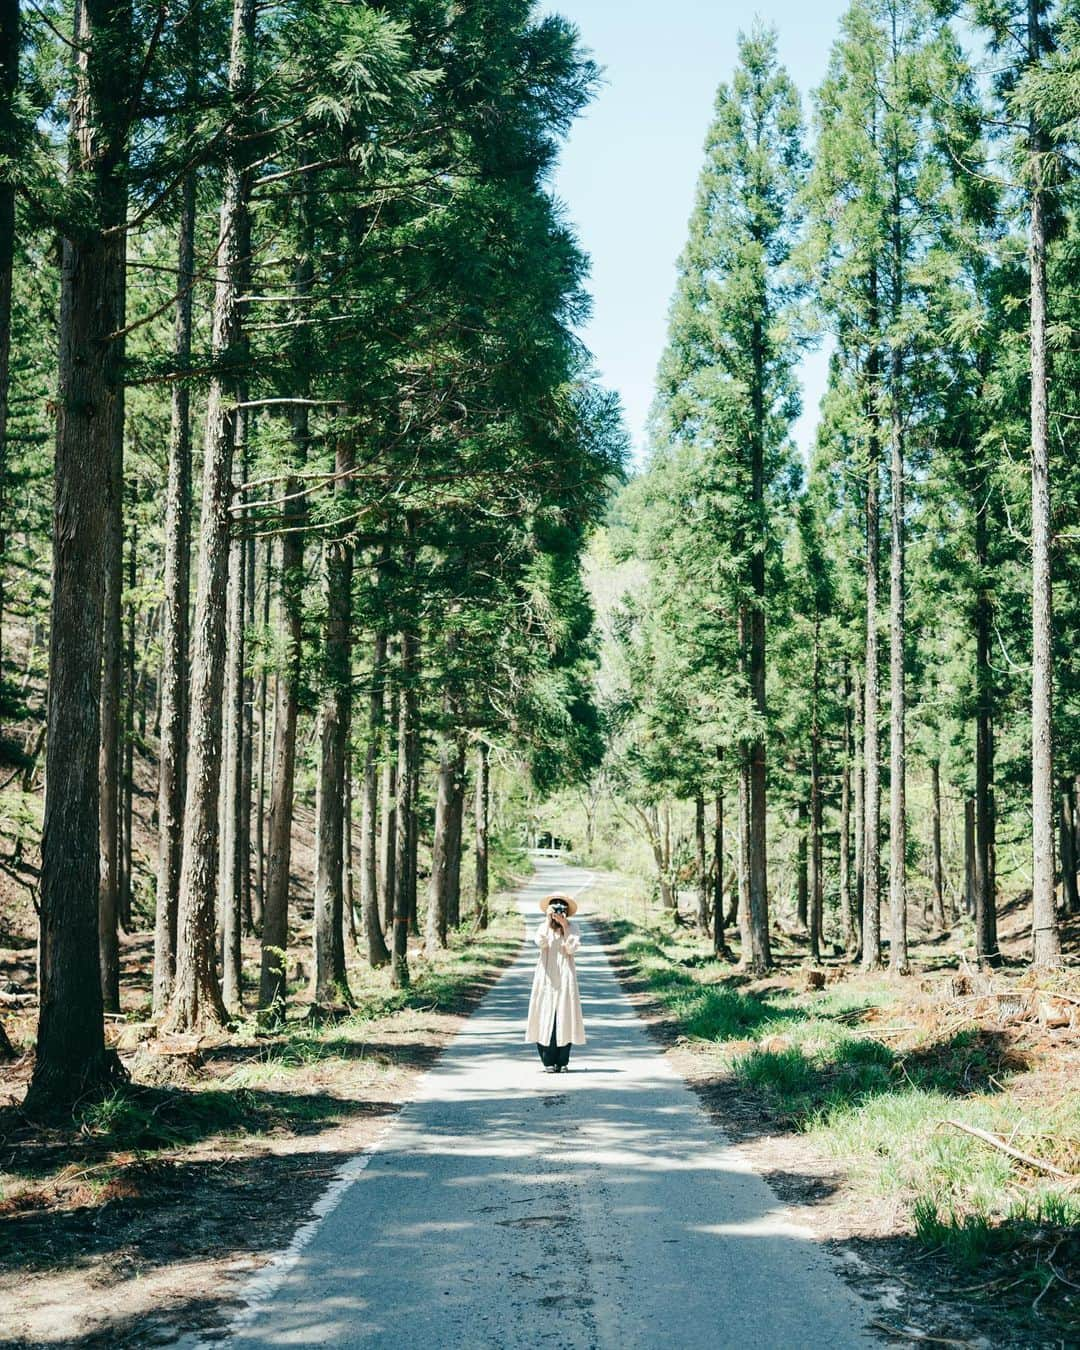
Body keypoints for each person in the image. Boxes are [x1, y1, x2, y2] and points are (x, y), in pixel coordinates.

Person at [525, 892, 586, 1072]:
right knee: (544, 1017)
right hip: (546, 978)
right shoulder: (544, 927)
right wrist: (547, 921)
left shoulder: (573, 927)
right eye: (555, 906)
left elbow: (571, 948)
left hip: (566, 977)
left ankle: (562, 1061)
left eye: (562, 906)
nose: (559, 910)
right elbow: (540, 942)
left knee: (565, 1017)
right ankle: (548, 1062)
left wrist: (565, 926)